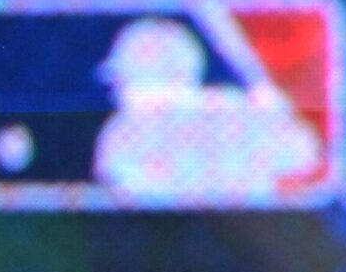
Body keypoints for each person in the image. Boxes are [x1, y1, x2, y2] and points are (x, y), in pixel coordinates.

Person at [93, 16, 319, 203]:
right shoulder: (120, 136)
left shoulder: (233, 109)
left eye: (126, 77)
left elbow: (305, 158)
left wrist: (277, 117)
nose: (117, 88)